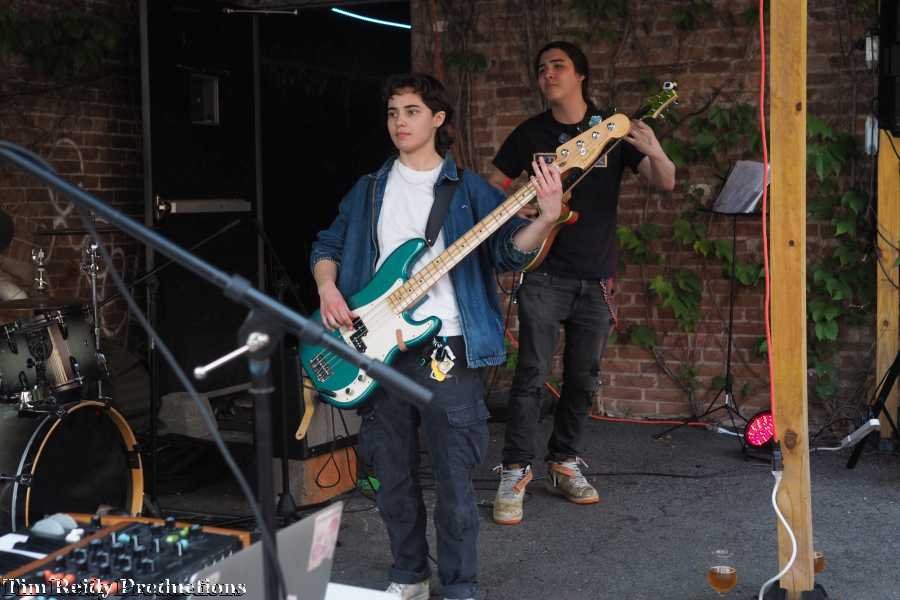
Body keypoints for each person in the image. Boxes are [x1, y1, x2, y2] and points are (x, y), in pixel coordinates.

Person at [309, 73, 563, 600]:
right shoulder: (369, 189)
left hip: (448, 346)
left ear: (438, 119)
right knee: (391, 474)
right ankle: (409, 575)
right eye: (392, 112)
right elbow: (327, 244)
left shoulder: (469, 191)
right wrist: (328, 289)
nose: (399, 122)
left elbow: (507, 255)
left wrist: (547, 218)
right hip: (378, 349)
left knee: (454, 477)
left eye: (411, 111)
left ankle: (461, 584)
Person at [489, 41, 676, 525]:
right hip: (543, 272)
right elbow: (492, 185)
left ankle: (564, 462)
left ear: (581, 76)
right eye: (541, 68)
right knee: (530, 375)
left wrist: (653, 148)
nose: (548, 74)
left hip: (595, 276)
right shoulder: (530, 133)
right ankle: (515, 470)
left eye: (558, 66)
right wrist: (520, 210)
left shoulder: (611, 131)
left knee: (582, 378)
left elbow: (665, 181)